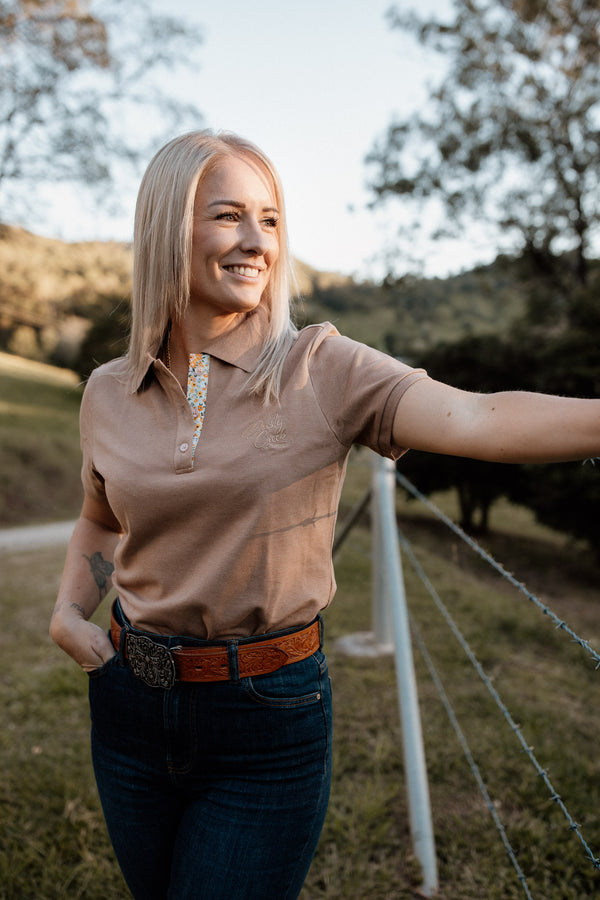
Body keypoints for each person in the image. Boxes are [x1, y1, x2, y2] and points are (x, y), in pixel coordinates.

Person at [50, 129, 600, 900]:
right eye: (228, 215)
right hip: (128, 704)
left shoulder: (323, 367)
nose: (257, 241)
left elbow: (477, 417)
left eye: (270, 220)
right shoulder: (109, 390)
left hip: (265, 719)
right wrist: (69, 612)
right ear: (165, 226)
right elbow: (101, 520)